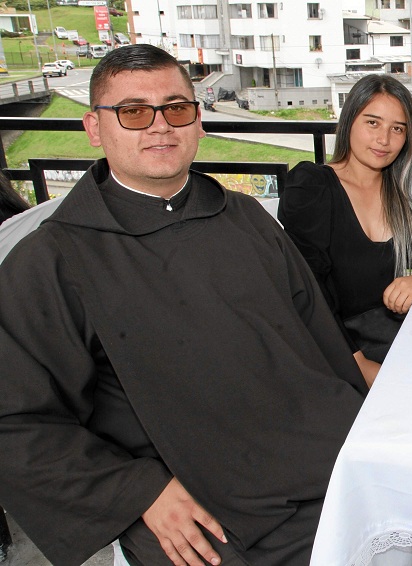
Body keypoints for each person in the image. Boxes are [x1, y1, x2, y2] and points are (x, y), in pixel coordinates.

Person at [0, 44, 368, 566]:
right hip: (202, 510)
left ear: (197, 120)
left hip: (320, 461)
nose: (159, 126)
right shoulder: (52, 259)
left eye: (176, 108)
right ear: (94, 128)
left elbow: (321, 339)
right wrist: (134, 491)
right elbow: (14, 420)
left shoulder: (245, 216)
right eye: (132, 111)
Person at [279, 74, 412, 375]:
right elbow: (310, 289)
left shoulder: (411, 186)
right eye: (372, 123)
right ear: (349, 121)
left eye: (397, 129)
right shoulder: (313, 188)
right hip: (334, 341)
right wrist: (358, 364)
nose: (384, 140)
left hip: (400, 330)